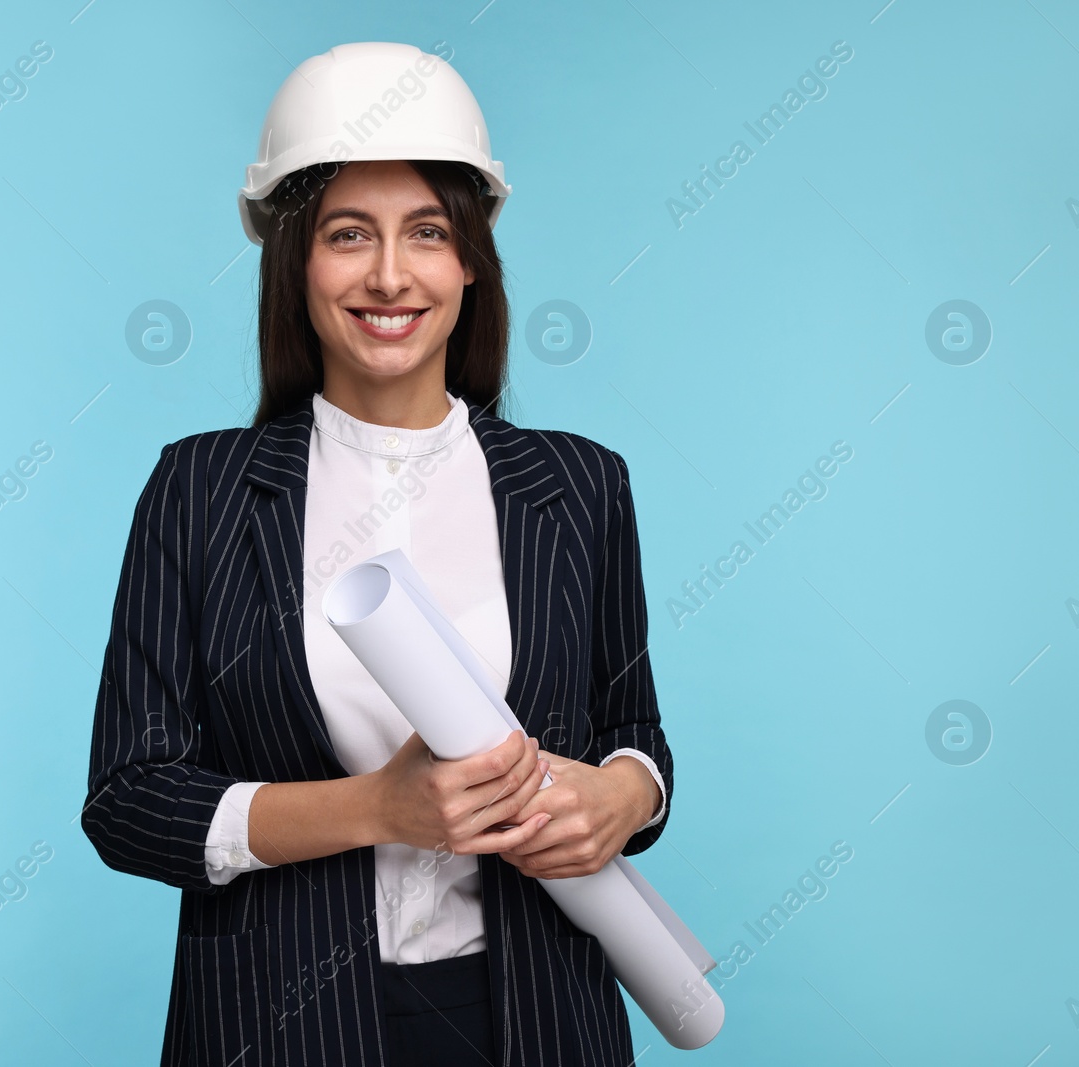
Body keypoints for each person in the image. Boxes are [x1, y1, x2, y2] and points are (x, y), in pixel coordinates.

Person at [82, 42, 673, 1067]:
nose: (390, 274)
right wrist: (374, 808)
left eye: (428, 233)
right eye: (348, 234)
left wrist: (623, 796)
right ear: (295, 261)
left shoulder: (576, 487)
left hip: (536, 1016)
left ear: (470, 261)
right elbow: (128, 798)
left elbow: (634, 730)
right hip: (276, 1022)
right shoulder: (202, 490)